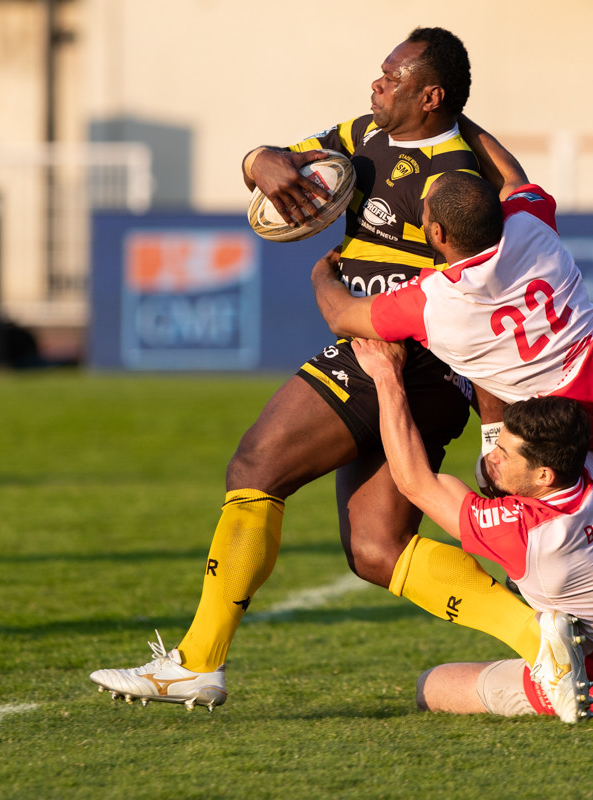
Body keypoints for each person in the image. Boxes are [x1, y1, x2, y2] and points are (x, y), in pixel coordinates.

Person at [91, 27, 546, 711]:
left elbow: (481, 300)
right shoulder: (363, 135)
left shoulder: (456, 182)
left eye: (393, 77)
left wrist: (493, 428)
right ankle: (545, 640)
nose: (376, 84)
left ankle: (197, 661)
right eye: (380, 72)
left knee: (254, 468)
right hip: (394, 365)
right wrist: (260, 161)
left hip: (400, 358)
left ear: (431, 96)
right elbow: (276, 159)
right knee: (378, 548)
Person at [311, 124, 593, 493]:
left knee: (500, 487)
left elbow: (340, 315)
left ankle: (527, 596)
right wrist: (459, 122)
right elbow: (512, 173)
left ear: (439, 234)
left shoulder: (433, 303)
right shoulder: (529, 226)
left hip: (578, 425)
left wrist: (321, 275)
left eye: (425, 212)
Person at [353, 336, 593, 722]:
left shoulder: (527, 532)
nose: (491, 456)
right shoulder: (588, 461)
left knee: (430, 686)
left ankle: (558, 665)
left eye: (504, 454)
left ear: (544, 475)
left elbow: (414, 481)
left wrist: (385, 375)